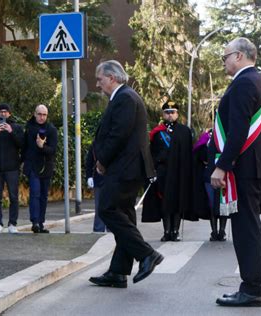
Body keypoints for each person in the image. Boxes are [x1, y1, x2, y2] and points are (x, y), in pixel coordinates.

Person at [88, 60, 163, 288]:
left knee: (107, 209)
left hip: (125, 168)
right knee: (125, 216)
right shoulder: (124, 97)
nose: (98, 85)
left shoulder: (125, 98)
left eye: (100, 79)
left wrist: (102, 160)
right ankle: (118, 272)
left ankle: (147, 254)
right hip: (128, 168)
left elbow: (117, 135)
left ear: (112, 77)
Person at [211, 37, 261, 307]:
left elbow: (239, 130)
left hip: (243, 167)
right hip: (251, 166)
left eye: (226, 56)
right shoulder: (256, 80)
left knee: (245, 227)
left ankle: (252, 288)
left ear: (240, 56)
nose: (224, 62)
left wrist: (222, 165)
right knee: (250, 225)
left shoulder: (244, 83)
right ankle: (254, 284)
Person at [142, 99, 195, 241]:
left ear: (177, 114)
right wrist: (152, 171)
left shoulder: (185, 131)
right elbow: (151, 153)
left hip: (179, 172)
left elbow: (189, 154)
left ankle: (175, 231)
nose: (170, 115)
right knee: (164, 202)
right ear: (163, 114)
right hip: (163, 171)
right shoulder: (157, 132)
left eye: (173, 112)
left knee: (178, 202)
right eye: (167, 112)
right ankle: (166, 231)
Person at [0, 104, 24, 234]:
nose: (3, 114)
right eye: (1, 112)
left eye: (6, 112)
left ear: (10, 114)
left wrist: (11, 132)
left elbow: (22, 144)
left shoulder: (17, 128)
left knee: (13, 197)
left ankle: (12, 224)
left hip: (12, 168)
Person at [22, 104, 58, 233]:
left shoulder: (51, 130)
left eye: (44, 115)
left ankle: (41, 223)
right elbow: (24, 147)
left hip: (46, 167)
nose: (42, 117)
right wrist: (23, 162)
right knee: (35, 193)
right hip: (33, 166)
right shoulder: (29, 128)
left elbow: (53, 150)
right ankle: (35, 222)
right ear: (35, 114)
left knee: (43, 196)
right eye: (39, 114)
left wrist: (42, 146)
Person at [192, 129, 227, 241]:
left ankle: (222, 231)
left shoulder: (226, 135)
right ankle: (214, 231)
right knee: (212, 204)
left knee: (223, 204)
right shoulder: (207, 137)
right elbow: (200, 156)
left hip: (224, 176)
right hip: (209, 176)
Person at [85, 143, 109, 232]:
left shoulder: (114, 142)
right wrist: (89, 177)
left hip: (111, 180)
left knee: (111, 207)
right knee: (99, 207)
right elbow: (89, 162)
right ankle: (98, 230)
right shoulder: (95, 145)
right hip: (99, 179)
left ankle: (110, 228)